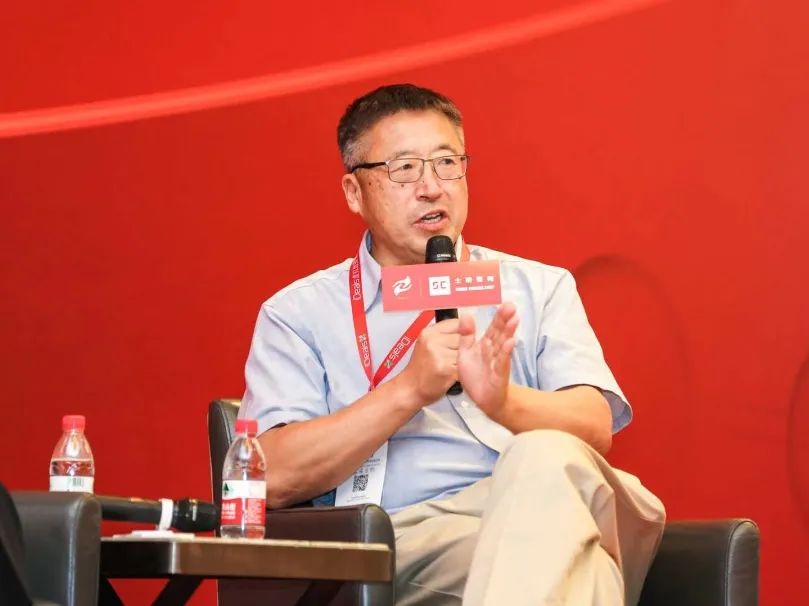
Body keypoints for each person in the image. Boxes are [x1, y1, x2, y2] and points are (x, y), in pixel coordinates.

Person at [241, 83, 665, 605]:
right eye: (404, 169)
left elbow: (595, 428)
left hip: (541, 499)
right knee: (583, 564)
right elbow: (269, 476)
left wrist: (503, 402)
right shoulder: (299, 313)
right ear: (354, 192)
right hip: (407, 535)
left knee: (544, 457)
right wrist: (409, 390)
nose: (431, 188)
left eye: (447, 164)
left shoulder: (537, 287)